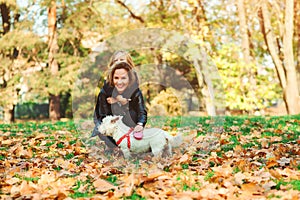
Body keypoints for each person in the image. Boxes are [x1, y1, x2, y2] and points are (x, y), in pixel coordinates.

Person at [91, 53, 147, 149]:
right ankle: (114, 146)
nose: (119, 63)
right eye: (116, 61)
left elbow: (140, 111)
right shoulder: (106, 89)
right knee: (103, 126)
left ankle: (129, 141)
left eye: (122, 60)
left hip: (127, 121)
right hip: (111, 121)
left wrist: (123, 103)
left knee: (132, 115)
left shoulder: (134, 87)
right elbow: (101, 114)